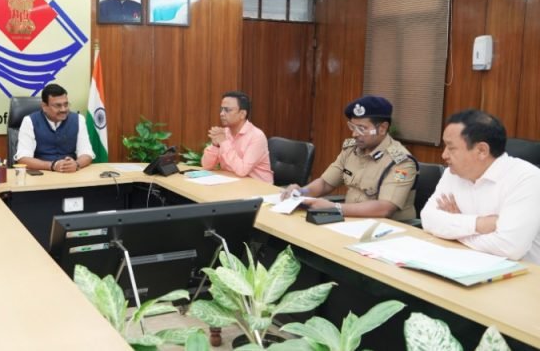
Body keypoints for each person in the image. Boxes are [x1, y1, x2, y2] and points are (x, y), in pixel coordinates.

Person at [421, 109, 540, 264]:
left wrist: (454, 230)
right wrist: (480, 224)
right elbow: (427, 219)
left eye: (451, 148)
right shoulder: (453, 173)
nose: (444, 155)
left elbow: (510, 247)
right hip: (465, 262)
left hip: (521, 273)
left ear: (482, 150)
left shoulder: (527, 178)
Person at [281, 96, 417, 220]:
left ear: (382, 128)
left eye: (361, 128)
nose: (354, 134)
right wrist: (302, 192)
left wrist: (335, 208)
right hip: (351, 220)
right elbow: (325, 183)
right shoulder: (351, 150)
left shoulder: (401, 162)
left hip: (386, 229)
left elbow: (385, 208)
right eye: (353, 127)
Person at [14, 83, 95, 172]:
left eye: (66, 104)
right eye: (58, 106)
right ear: (44, 106)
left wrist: (76, 164)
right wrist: (53, 165)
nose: (63, 109)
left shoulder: (79, 119)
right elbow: (23, 158)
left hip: (71, 174)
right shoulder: (29, 121)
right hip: (42, 174)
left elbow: (87, 153)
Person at [201, 91, 273, 183]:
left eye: (227, 110)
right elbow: (206, 166)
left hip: (258, 187)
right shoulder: (224, 133)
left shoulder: (257, 136)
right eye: (221, 109)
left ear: (242, 114)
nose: (222, 114)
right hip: (233, 183)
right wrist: (215, 145)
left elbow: (242, 170)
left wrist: (224, 142)